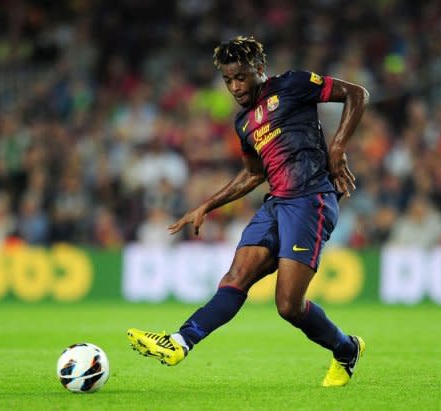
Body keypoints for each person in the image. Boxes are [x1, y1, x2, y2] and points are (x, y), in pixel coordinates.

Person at [127, 35, 369, 387]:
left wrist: (338, 147)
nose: (235, 86)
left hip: (310, 200)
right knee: (234, 279)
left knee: (288, 306)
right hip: (276, 204)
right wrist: (207, 205)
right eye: (227, 80)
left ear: (258, 69)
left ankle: (346, 349)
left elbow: (357, 94)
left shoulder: (293, 84)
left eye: (240, 77)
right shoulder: (244, 123)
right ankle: (180, 341)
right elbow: (254, 174)